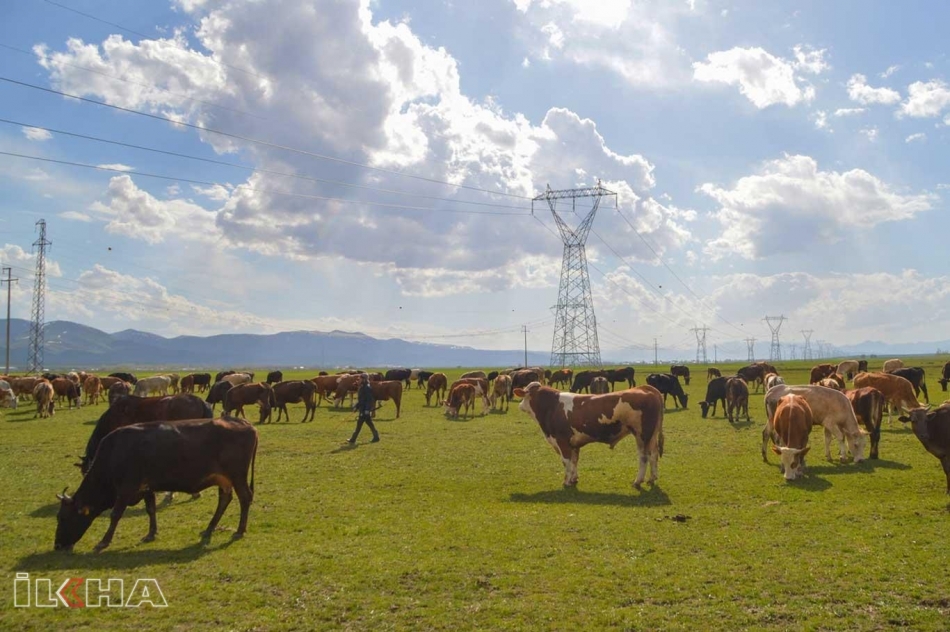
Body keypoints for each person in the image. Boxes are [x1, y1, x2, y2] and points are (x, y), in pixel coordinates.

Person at [348, 374, 379, 444]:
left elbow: (369, 400)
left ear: (364, 379)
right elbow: (361, 399)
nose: (358, 380)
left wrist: (367, 410)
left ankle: (353, 439)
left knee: (359, 425)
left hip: (364, 410)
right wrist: (356, 406)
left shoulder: (367, 388)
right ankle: (376, 436)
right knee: (369, 423)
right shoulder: (362, 387)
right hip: (362, 409)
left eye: (360, 379)